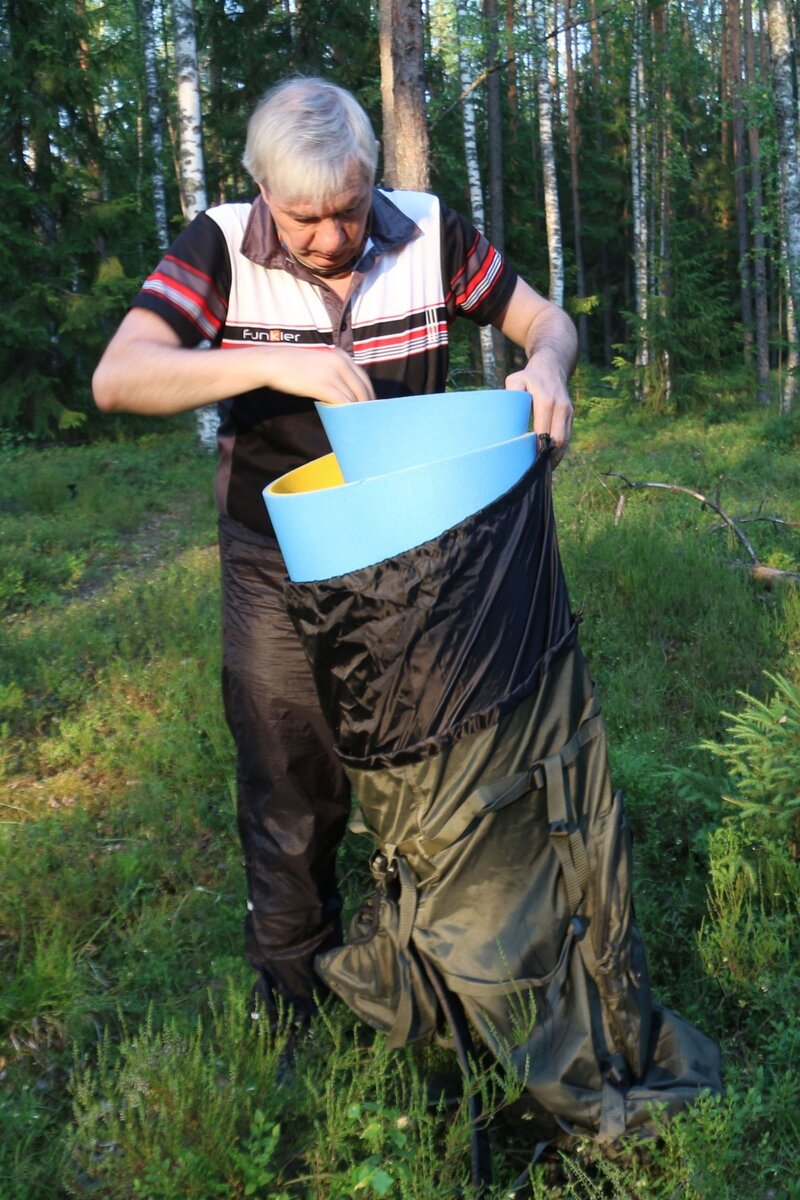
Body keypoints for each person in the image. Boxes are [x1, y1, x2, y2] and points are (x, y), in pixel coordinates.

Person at [93, 76, 577, 1033]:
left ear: (371, 180)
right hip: (274, 561)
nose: (326, 237)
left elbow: (544, 319)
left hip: (416, 556)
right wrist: (273, 360)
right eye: (302, 217)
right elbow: (120, 375)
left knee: (436, 770)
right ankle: (294, 1004)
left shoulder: (431, 233)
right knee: (290, 776)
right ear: (263, 194)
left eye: (347, 210)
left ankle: (449, 982)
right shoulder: (220, 246)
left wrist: (548, 365)